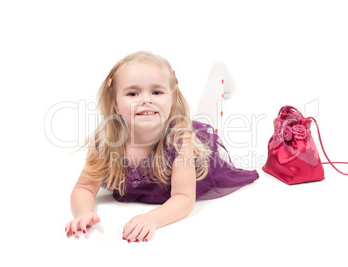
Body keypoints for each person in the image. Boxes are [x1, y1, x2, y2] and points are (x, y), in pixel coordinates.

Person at [64, 51, 259, 242]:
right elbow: (84, 188)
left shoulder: (181, 140)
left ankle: (218, 74)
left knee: (209, 119)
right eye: (133, 93)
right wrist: (84, 213)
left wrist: (151, 219)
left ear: (171, 97)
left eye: (157, 92)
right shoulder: (106, 141)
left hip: (201, 158)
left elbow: (183, 197)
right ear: (115, 104)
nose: (146, 100)